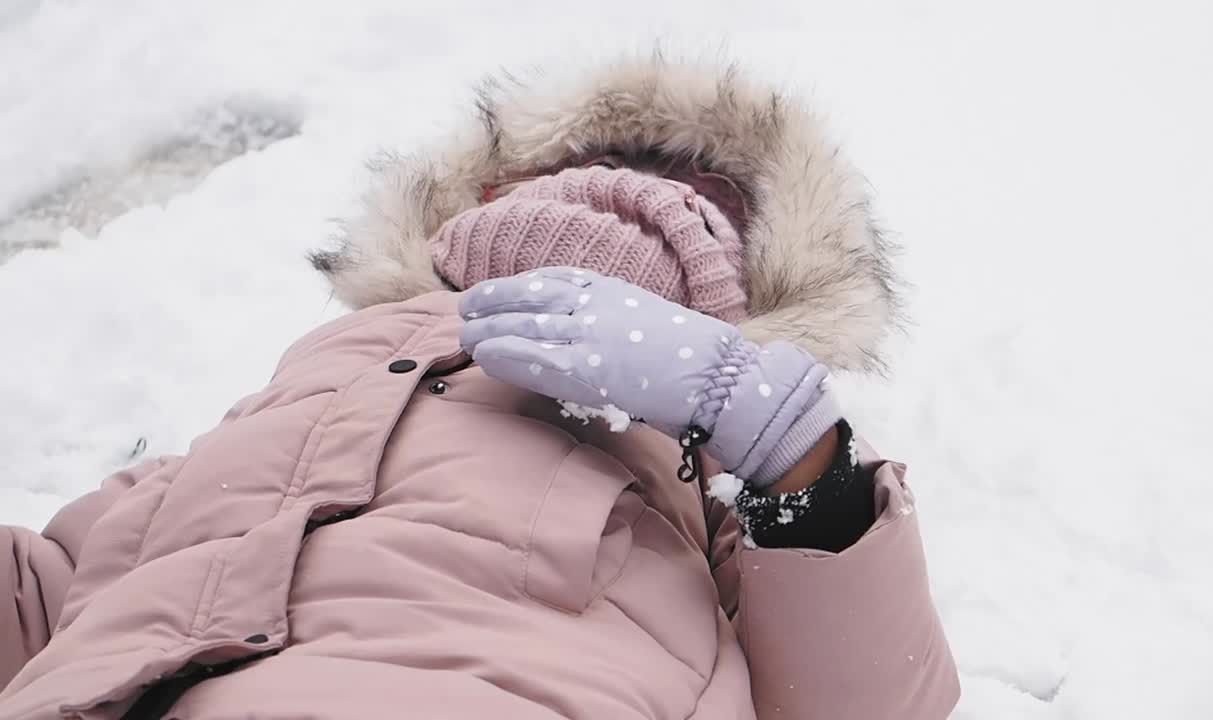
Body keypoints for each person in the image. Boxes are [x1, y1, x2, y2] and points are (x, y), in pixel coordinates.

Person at [0, 56, 959, 719]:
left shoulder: (697, 454)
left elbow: (857, 699)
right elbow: (65, 592)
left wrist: (782, 441)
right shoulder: (311, 380)